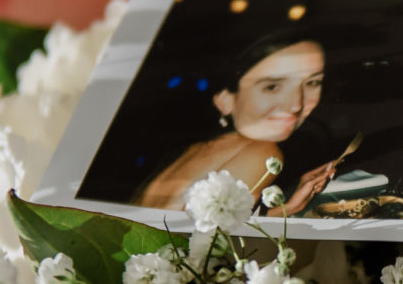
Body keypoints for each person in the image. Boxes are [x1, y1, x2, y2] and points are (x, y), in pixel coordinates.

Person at [134, 34, 343, 215]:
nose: (296, 105)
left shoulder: (192, 150)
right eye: (272, 86)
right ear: (225, 100)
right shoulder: (263, 154)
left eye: (312, 82)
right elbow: (203, 251)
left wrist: (282, 211)